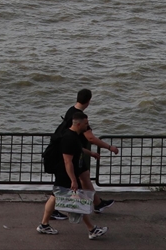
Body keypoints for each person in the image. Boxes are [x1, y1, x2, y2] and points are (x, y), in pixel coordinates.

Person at [37, 110, 108, 239]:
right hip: (66, 174)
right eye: (86, 123)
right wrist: (73, 180)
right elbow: (67, 161)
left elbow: (77, 149)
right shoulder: (69, 138)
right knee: (78, 200)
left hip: (64, 173)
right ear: (79, 124)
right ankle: (92, 229)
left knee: (55, 197)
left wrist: (91, 153)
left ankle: (44, 224)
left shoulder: (72, 135)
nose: (88, 126)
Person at [52, 89, 118, 215]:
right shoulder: (79, 118)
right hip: (72, 153)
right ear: (89, 101)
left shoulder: (70, 111)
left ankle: (97, 203)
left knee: (83, 176)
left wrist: (90, 153)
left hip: (73, 151)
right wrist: (109, 147)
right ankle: (53, 211)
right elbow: (90, 138)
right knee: (66, 182)